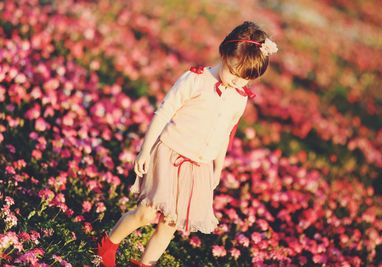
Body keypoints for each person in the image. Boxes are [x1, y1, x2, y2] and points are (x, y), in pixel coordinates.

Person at [96, 21, 278, 267]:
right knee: (146, 213)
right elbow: (163, 112)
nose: (237, 82)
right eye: (234, 73)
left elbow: (225, 134)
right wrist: (144, 151)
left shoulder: (239, 98)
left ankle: (145, 264)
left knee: (170, 224)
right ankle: (108, 244)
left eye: (245, 80)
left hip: (199, 165)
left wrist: (217, 169)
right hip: (170, 152)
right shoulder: (195, 80)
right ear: (224, 53)